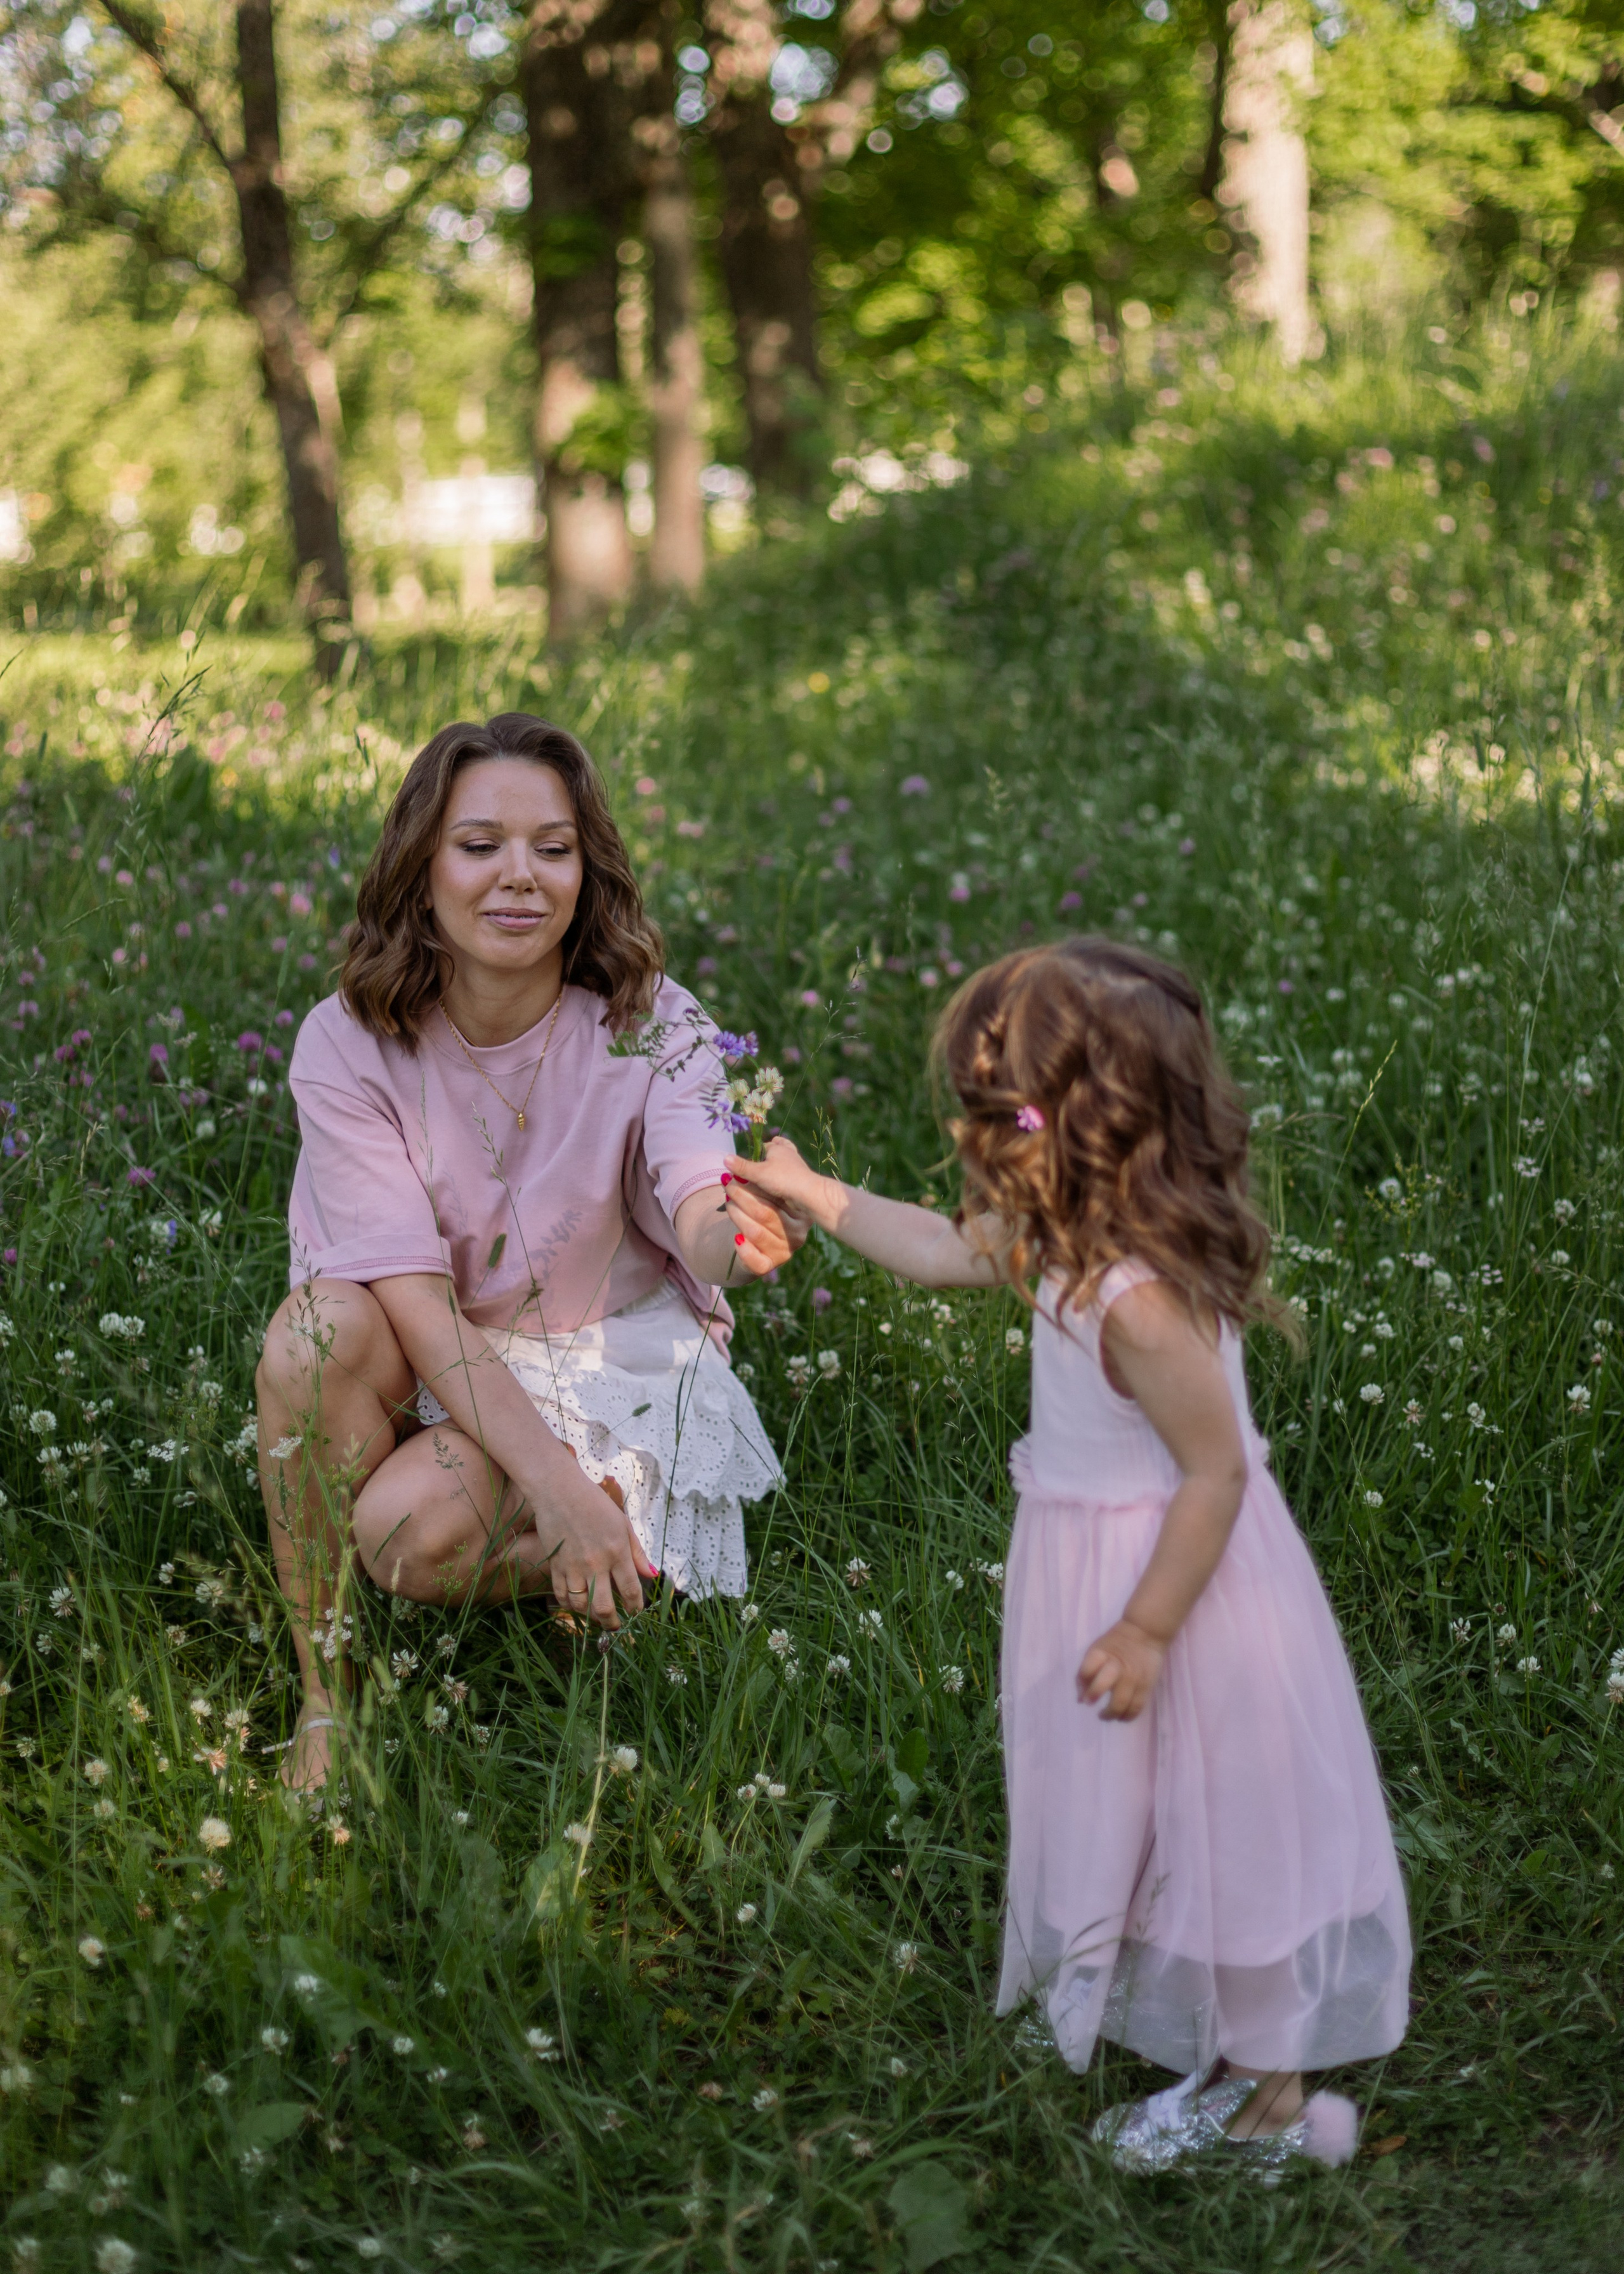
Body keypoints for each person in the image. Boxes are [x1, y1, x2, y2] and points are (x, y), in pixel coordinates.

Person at [721, 938, 1410, 2170]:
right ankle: (1223, 2066)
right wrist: (812, 1192)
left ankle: (1268, 2104)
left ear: (1092, 1123)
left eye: (1002, 1102)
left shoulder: (1130, 1299)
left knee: (1228, 1836)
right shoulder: (1055, 1234)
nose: (973, 1126)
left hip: (1185, 1596)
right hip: (1100, 1571)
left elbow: (1215, 1470)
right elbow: (941, 1246)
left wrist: (1146, 1628)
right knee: (1142, 1823)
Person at [257, 713, 802, 1790]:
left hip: (610, 1354)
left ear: (587, 871)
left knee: (407, 1538)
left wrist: (732, 1239)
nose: (520, 878)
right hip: (444, 1347)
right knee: (312, 1332)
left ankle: (620, 1539)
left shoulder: (654, 1021)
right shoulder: (348, 1039)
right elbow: (408, 1304)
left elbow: (698, 1194)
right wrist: (554, 1489)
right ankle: (329, 1693)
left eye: (553, 849)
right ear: (420, 870)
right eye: (480, 846)